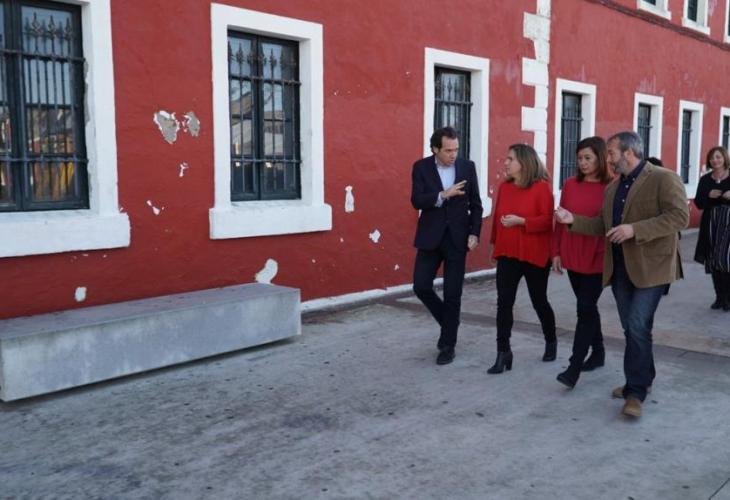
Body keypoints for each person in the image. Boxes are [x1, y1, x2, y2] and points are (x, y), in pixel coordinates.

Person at [555, 131, 689, 418]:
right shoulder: (613, 188)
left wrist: (634, 230)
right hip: (619, 269)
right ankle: (644, 377)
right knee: (633, 328)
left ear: (628, 153)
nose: (609, 159)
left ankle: (634, 392)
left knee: (638, 325)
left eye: (612, 153)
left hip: (652, 268)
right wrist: (572, 220)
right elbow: (601, 226)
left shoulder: (664, 178)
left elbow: (680, 217)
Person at [411, 127, 483, 365]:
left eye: (456, 150)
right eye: (448, 150)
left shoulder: (467, 167)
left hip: (457, 239)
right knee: (421, 286)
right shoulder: (421, 167)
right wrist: (443, 194)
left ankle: (447, 345)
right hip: (430, 237)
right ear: (435, 149)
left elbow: (476, 205)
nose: (453, 155)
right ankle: (450, 322)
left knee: (453, 293)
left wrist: (474, 233)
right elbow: (416, 200)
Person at [487, 144, 556, 374]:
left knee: (539, 301)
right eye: (507, 158)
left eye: (511, 159)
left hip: (535, 254)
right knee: (504, 303)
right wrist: (495, 246)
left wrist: (522, 221)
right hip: (508, 253)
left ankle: (551, 340)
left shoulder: (542, 188)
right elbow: (497, 218)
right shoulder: (505, 188)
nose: (506, 163)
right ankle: (503, 351)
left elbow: (547, 221)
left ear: (524, 163)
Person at [551, 137, 612, 388]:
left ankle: (574, 367)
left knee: (584, 308)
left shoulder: (611, 186)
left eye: (588, 158)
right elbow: (560, 219)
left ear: (600, 158)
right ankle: (598, 352)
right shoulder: (570, 184)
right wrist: (555, 252)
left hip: (597, 256)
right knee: (587, 307)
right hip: (573, 253)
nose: (583, 163)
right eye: (579, 158)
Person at [693, 146, 730, 311]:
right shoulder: (705, 180)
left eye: (718, 157)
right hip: (711, 224)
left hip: (728, 224)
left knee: (725, 259)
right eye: (712, 158)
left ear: (724, 158)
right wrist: (708, 195)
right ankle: (719, 297)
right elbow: (699, 203)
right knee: (714, 260)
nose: (715, 160)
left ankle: (728, 298)